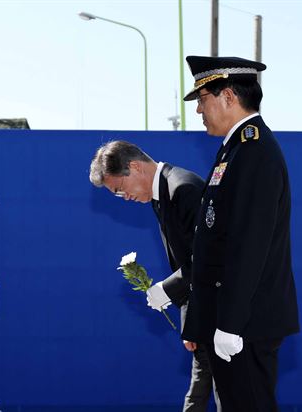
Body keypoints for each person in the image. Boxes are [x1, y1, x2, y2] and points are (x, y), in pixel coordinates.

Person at [182, 56, 299, 412]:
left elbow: (249, 245)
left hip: (244, 322)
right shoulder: (235, 149)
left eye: (203, 100)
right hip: (232, 318)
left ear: (228, 96)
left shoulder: (255, 151)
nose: (199, 110)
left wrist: (230, 323)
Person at [89, 141, 220, 412]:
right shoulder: (160, 197)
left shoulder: (184, 189)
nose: (124, 198)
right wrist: (189, 322)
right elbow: (184, 264)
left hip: (222, 316)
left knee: (228, 398)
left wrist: (165, 290)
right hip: (202, 313)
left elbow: (208, 262)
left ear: (135, 167)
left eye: (120, 189)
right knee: (197, 394)